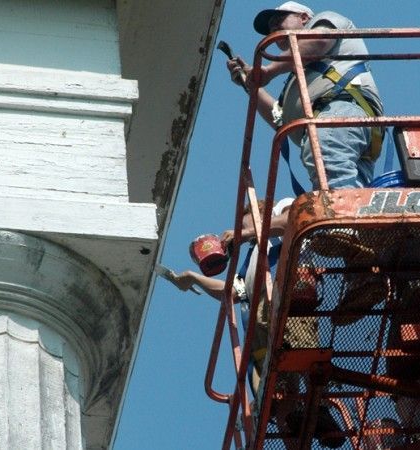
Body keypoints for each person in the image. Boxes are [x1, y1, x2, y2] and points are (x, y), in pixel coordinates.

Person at [167, 198, 345, 448]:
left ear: (259, 211)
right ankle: (294, 433)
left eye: (243, 223)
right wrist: (194, 278)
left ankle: (322, 410)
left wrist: (249, 231)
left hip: (288, 293)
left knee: (304, 354)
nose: (238, 232)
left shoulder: (278, 210)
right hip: (261, 324)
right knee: (277, 390)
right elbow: (232, 292)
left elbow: (294, 222)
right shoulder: (250, 258)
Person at [227, 2, 384, 191]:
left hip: (340, 112)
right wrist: (250, 85)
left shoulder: (326, 20)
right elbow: (279, 119)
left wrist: (268, 71)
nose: (274, 29)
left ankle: (340, 217)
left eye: (279, 20)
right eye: (270, 29)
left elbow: (318, 41)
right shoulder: (297, 78)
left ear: (304, 17)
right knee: (350, 191)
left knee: (332, 181)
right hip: (335, 125)